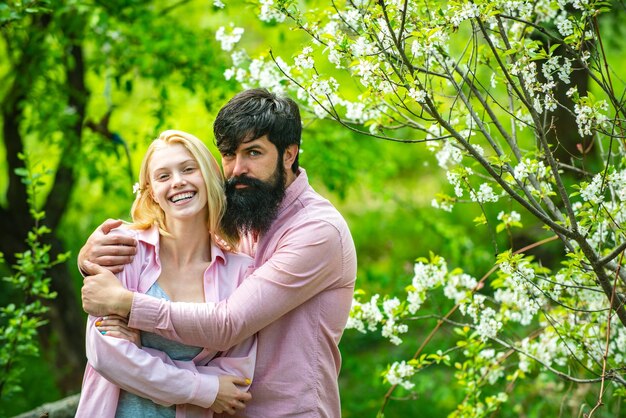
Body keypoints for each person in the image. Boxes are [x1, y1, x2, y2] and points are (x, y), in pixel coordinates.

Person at [80, 88, 357, 417]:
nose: (238, 168)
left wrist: (126, 305)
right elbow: (179, 225)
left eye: (253, 153)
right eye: (229, 154)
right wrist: (88, 259)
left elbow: (229, 323)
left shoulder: (317, 231)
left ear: (289, 154)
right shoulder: (246, 214)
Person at [76, 130, 256, 418]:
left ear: (209, 176)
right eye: (163, 176)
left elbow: (234, 379)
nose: (178, 182)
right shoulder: (123, 249)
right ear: (151, 192)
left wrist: (143, 354)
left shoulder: (240, 272)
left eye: (188, 169)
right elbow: (106, 354)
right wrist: (204, 388)